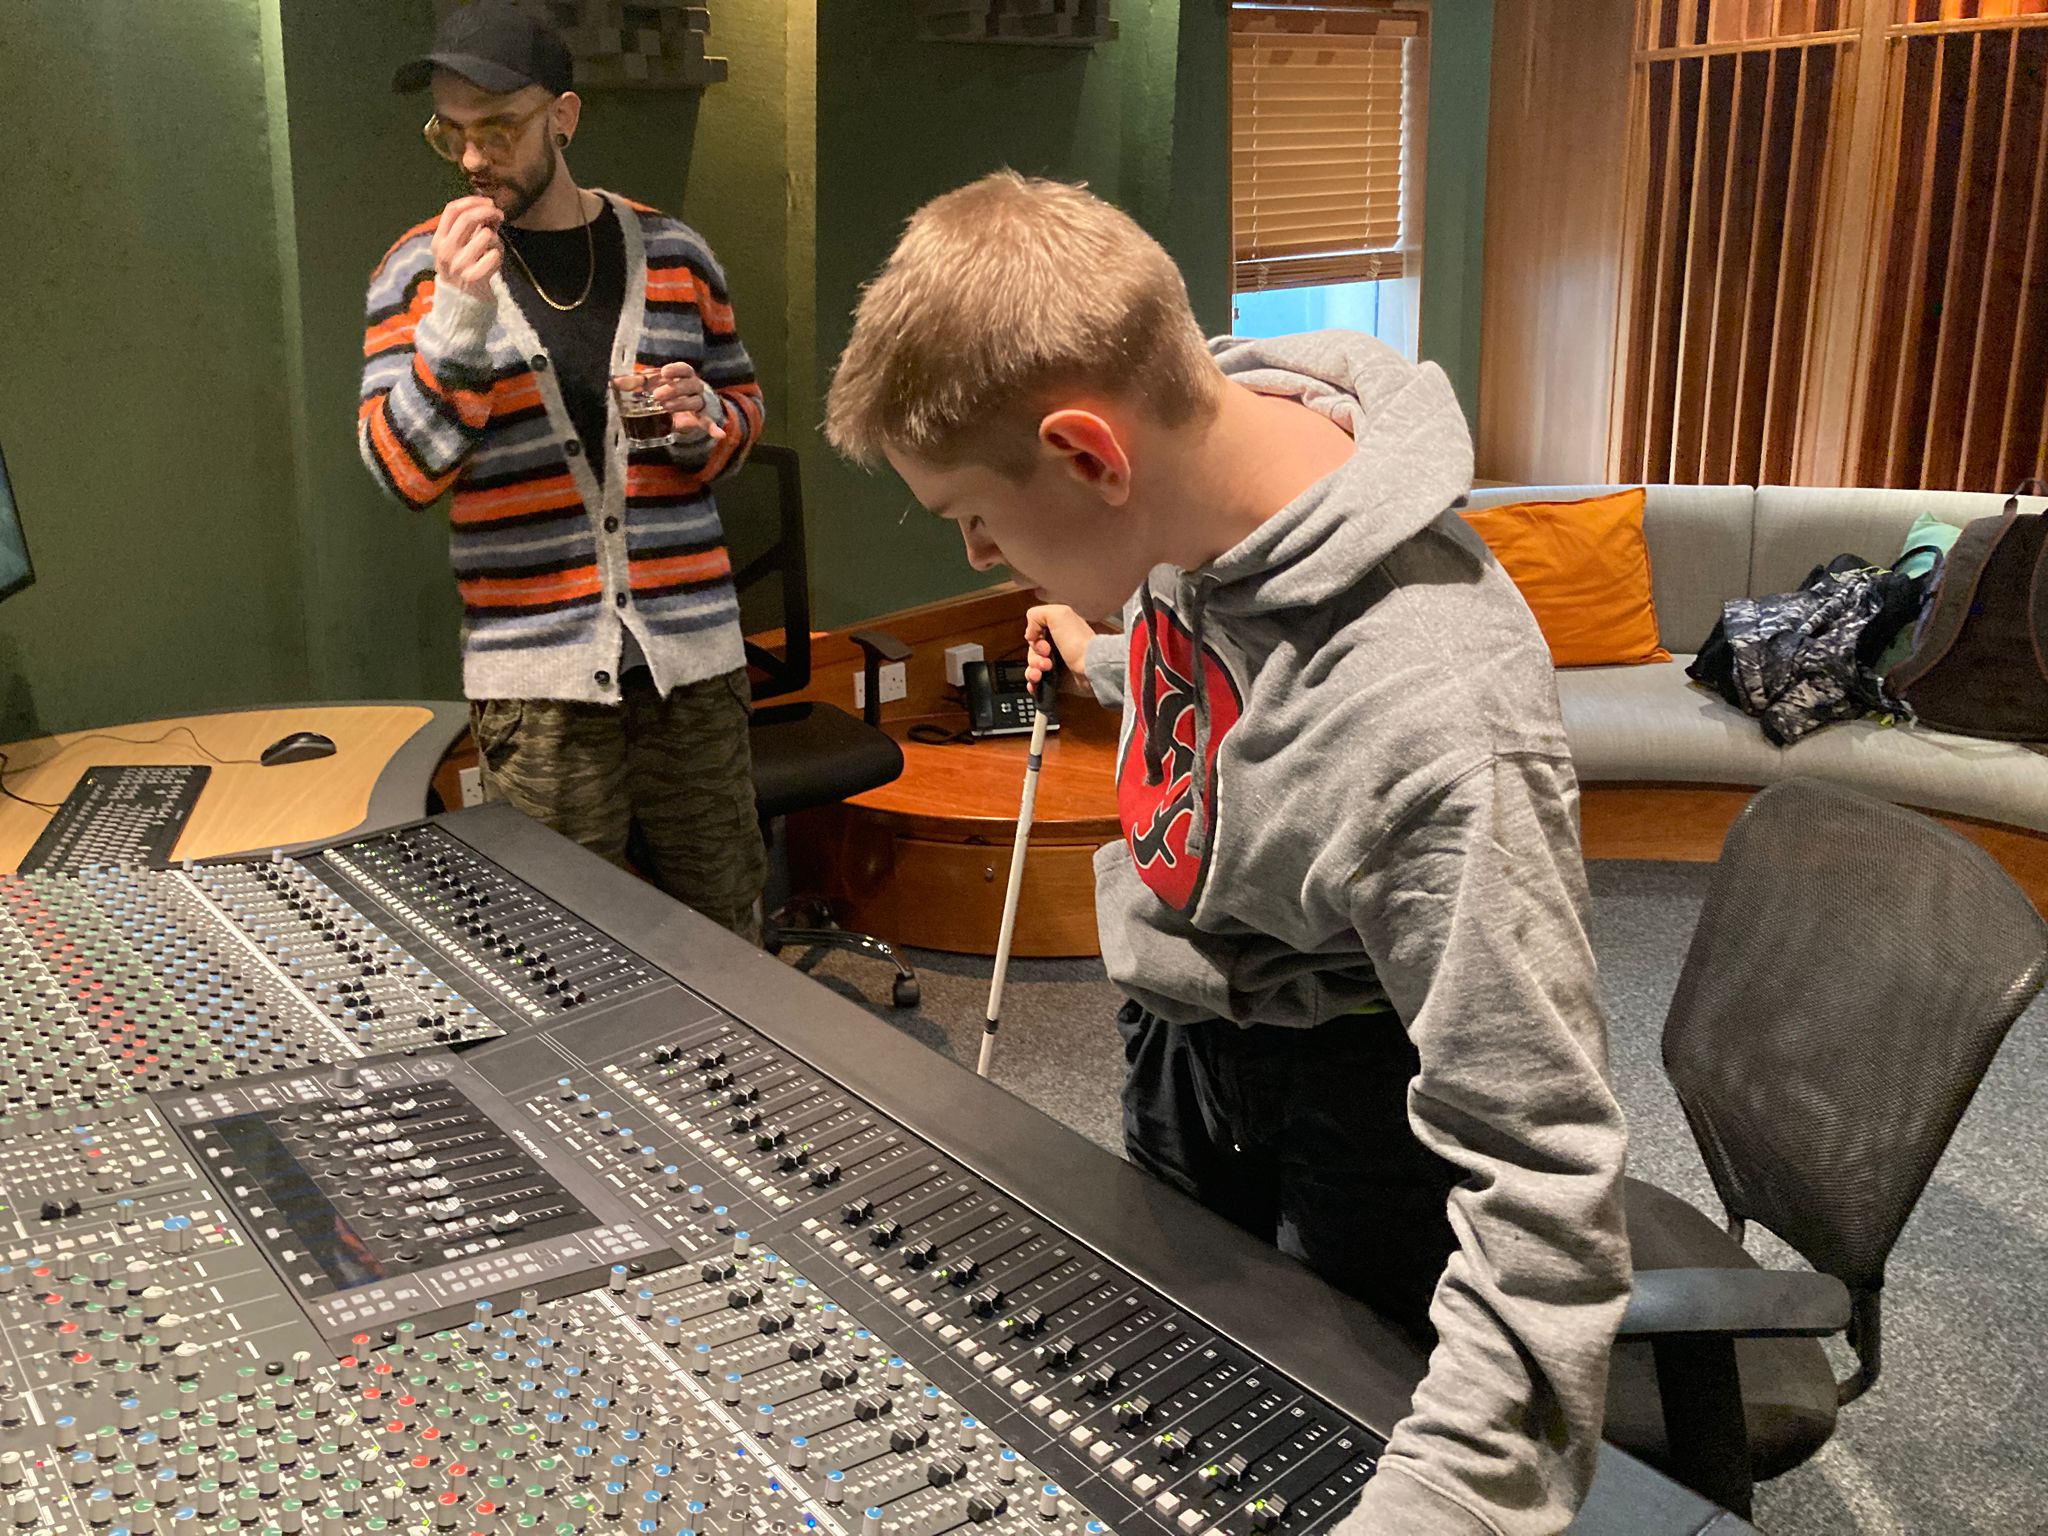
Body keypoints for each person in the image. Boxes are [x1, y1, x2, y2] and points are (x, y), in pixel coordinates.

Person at [824, 172, 1631, 1536]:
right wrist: (1102, 654)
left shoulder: (1440, 723)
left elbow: (1546, 1183)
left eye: (972, 514)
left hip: (1352, 1114)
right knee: (1188, 1434)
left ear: (1087, 456)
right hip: (1186, 1049)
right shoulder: (1205, 481)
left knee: (1325, 1453)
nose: (975, 552)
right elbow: (1240, 684)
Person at [359, 0, 767, 937]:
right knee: (563, 954)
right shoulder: (417, 275)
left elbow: (742, 409)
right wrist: (457, 324)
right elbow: (399, 473)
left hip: (691, 672)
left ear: (565, 117)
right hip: (536, 689)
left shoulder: (675, 255)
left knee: (728, 940)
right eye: (449, 133)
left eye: (497, 128)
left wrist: (707, 425)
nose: (472, 159)